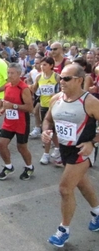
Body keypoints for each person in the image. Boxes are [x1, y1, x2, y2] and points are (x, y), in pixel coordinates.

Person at [42, 64, 99, 248]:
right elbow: (48, 120)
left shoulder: (89, 101)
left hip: (82, 151)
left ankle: (63, 230)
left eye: (66, 78)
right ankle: (97, 213)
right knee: (81, 182)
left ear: (79, 80)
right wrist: (45, 132)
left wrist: (92, 142)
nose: (61, 81)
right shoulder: (56, 98)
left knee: (65, 189)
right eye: (60, 77)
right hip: (65, 150)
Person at [0, 63, 34, 180]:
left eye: (12, 73)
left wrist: (13, 106)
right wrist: (3, 109)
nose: (9, 75)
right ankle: (8, 166)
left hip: (21, 122)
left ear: (19, 74)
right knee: (1, 145)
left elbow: (30, 108)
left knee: (21, 147)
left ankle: (29, 167)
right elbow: (7, 103)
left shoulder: (24, 88)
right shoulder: (7, 86)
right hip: (9, 122)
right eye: (8, 73)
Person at [30, 57, 61, 165]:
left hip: (56, 107)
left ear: (51, 65)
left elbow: (63, 91)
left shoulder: (57, 77)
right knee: (47, 131)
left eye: (45, 65)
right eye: (41, 65)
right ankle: (47, 154)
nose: (42, 67)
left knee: (55, 132)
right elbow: (34, 89)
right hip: (44, 106)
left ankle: (57, 149)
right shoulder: (39, 77)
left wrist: (56, 95)